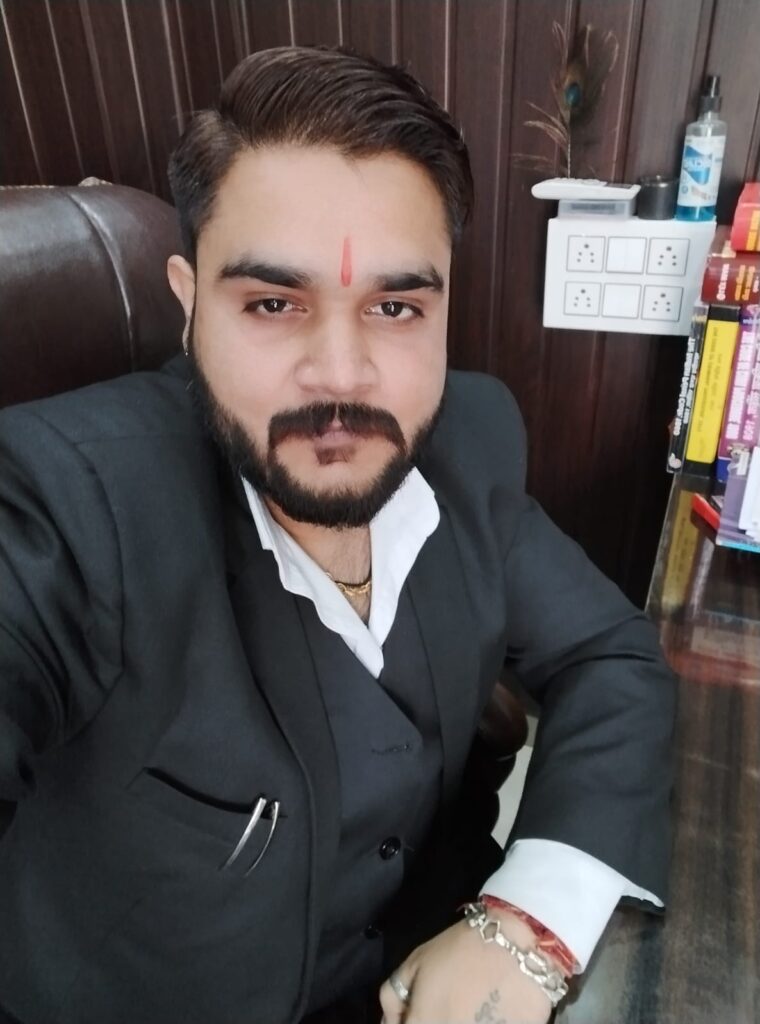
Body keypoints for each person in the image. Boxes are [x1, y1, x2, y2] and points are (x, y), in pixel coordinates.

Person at [0, 46, 676, 1024]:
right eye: (274, 304)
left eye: (395, 307)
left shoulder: (468, 445)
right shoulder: (58, 504)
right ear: (189, 305)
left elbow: (612, 655)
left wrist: (529, 918)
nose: (342, 375)